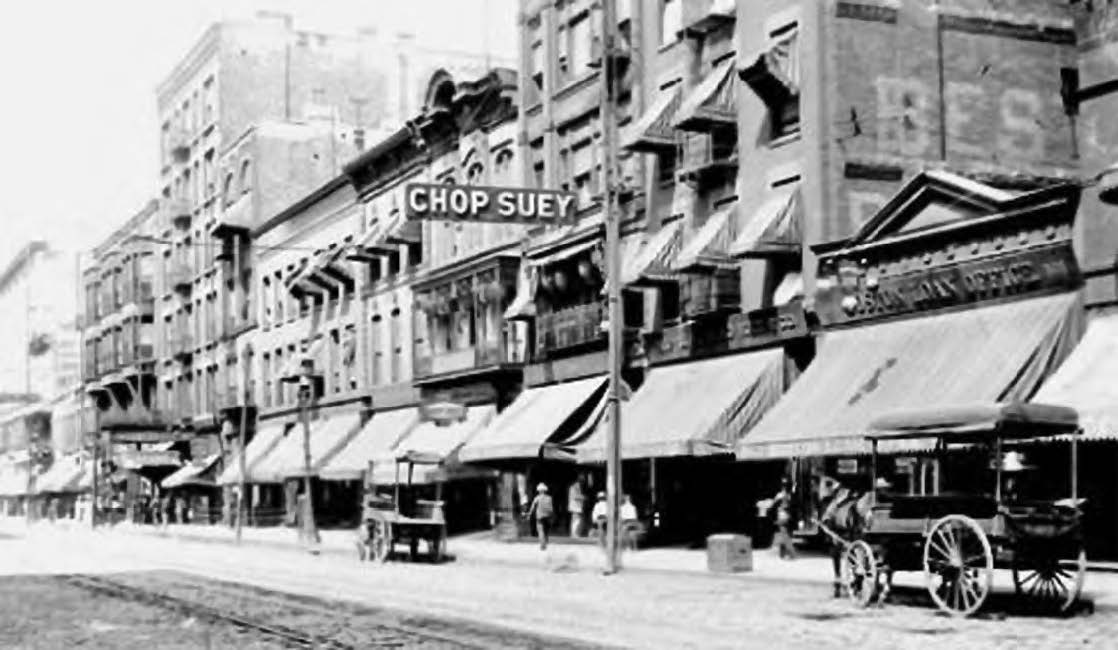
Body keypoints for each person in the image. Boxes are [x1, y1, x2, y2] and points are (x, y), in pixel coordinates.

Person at [770, 477, 796, 560]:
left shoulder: (781, 495)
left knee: (784, 535)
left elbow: (773, 505)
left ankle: (787, 554)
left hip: (783, 516)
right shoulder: (790, 495)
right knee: (786, 535)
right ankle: (785, 553)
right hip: (787, 516)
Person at [526, 483, 554, 550]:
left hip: (540, 516)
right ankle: (546, 541)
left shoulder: (537, 498)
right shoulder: (549, 498)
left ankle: (542, 545)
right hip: (548, 516)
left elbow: (532, 507)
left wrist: (529, 514)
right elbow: (552, 508)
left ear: (539, 490)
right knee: (546, 530)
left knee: (540, 530)